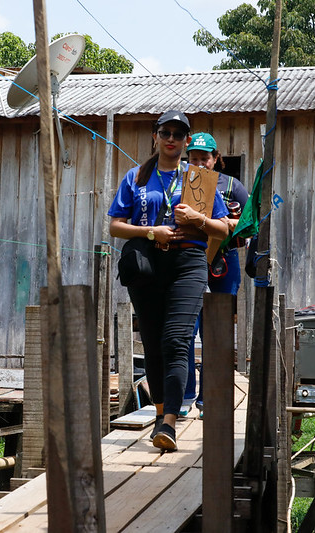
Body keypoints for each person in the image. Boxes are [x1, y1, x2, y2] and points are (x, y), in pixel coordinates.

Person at [108, 112, 229, 452]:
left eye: (178, 134)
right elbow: (115, 225)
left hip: (188, 262)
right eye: (166, 132)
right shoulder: (137, 177)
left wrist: (198, 218)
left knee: (177, 339)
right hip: (147, 262)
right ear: (156, 136)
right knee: (153, 341)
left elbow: (223, 228)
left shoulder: (200, 178)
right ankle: (161, 412)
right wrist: (150, 230)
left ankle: (170, 422)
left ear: (187, 141)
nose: (172, 138)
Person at [182, 132, 250, 419]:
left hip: (223, 261)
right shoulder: (180, 182)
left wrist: (226, 224)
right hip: (188, 259)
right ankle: (184, 394)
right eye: (194, 158)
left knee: (217, 329)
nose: (199, 163)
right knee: (186, 329)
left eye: (204, 158)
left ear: (215, 158)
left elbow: (250, 224)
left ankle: (208, 395)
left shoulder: (232, 186)